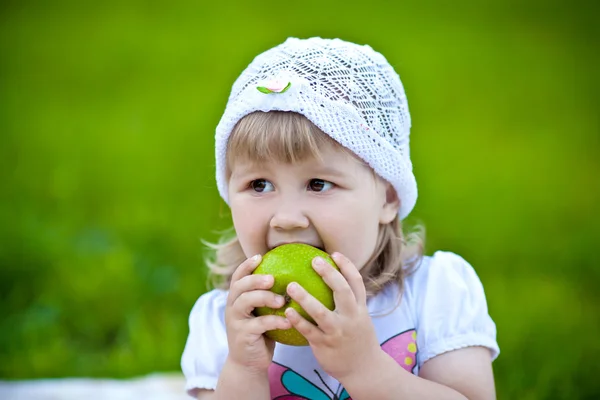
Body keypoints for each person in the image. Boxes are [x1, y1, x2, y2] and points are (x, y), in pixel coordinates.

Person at [181, 37, 499, 399]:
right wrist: (244, 369)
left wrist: (365, 369)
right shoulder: (225, 322)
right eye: (259, 184)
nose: (287, 219)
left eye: (318, 184)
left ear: (388, 197)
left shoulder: (434, 294)